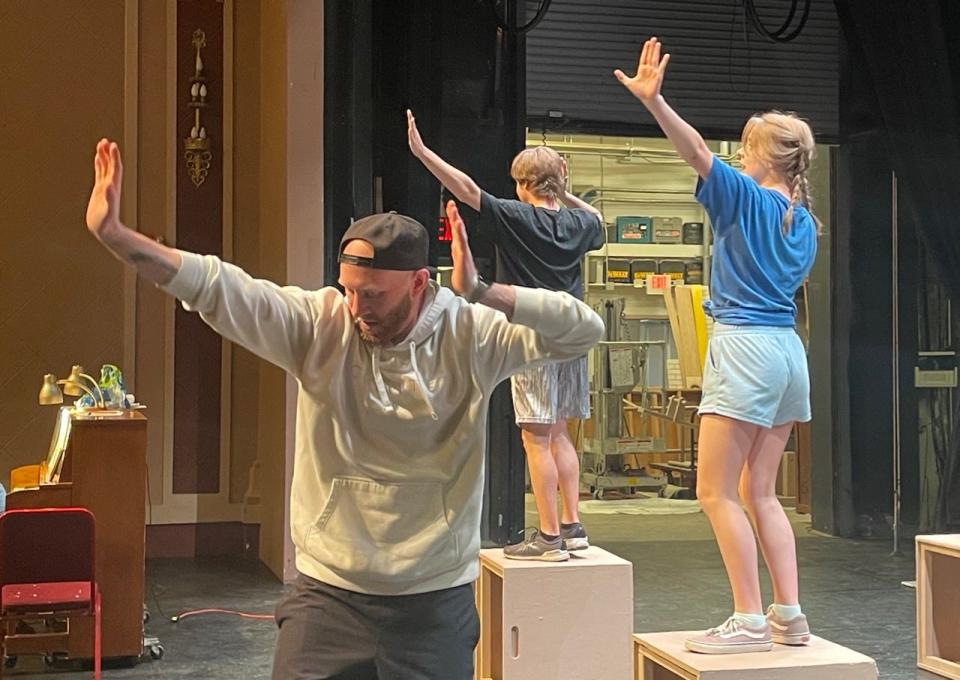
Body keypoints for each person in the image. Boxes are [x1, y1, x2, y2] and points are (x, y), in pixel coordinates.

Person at [84, 139, 604, 678]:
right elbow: (222, 289)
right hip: (327, 597)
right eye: (350, 290)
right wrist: (119, 238)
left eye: (375, 295)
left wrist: (485, 291)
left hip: (433, 600)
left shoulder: (469, 333)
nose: (358, 308)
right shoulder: (321, 323)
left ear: (419, 283)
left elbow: (584, 331)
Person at [615, 38, 819, 654]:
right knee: (761, 490)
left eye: (746, 147)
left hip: (746, 349)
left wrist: (655, 103)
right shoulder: (804, 220)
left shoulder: (748, 197)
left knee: (715, 491)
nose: (737, 152)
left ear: (763, 156)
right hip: (787, 353)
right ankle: (790, 613)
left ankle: (749, 617)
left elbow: (698, 153)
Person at [406, 110, 605, 562]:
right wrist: (567, 192)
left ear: (521, 185)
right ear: (560, 179)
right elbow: (596, 218)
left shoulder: (516, 215)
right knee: (561, 434)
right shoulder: (579, 224)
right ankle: (574, 528)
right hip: (571, 336)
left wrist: (422, 153)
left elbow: (469, 190)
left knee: (536, 437)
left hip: (531, 336)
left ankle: (551, 537)